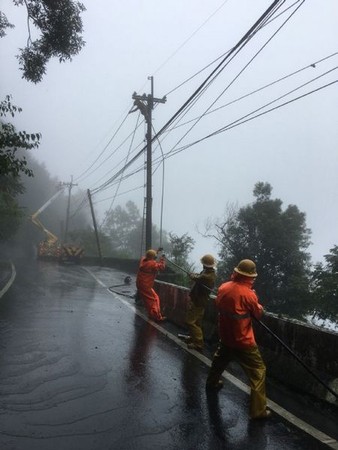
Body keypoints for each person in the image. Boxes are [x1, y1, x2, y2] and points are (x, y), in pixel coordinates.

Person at [206, 259, 271, 420]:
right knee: (258, 372)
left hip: (226, 335)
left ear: (237, 272)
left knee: (220, 360)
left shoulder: (223, 287)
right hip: (243, 341)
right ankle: (258, 411)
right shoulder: (249, 294)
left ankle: (212, 382)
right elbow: (257, 314)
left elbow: (218, 304)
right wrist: (259, 306)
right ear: (250, 277)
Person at [184, 254, 216, 351]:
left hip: (199, 301)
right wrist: (195, 275)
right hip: (198, 299)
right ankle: (193, 338)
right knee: (197, 321)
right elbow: (199, 276)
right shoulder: (207, 272)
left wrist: (192, 275)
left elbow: (199, 278)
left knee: (190, 321)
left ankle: (198, 343)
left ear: (206, 265)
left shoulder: (209, 276)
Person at [136, 249, 166, 322]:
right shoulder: (152, 264)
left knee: (148, 301)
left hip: (140, 284)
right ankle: (157, 317)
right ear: (153, 257)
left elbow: (150, 255)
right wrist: (162, 259)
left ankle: (152, 314)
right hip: (146, 285)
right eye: (155, 256)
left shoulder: (143, 260)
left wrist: (157, 251)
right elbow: (161, 267)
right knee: (155, 299)